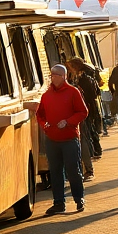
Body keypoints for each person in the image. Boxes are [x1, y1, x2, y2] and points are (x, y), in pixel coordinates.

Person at [37, 65, 88, 215]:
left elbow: (83, 112)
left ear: (64, 76)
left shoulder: (73, 92)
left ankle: (79, 198)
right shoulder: (46, 95)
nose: (54, 77)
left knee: (73, 170)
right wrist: (44, 125)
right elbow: (40, 115)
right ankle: (58, 203)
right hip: (52, 140)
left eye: (57, 75)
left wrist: (68, 121)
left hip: (69, 139)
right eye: (52, 75)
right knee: (55, 172)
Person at [69, 58, 101, 180]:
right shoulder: (82, 78)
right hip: (85, 112)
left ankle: (88, 169)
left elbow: (90, 96)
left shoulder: (82, 80)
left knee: (84, 140)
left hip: (83, 113)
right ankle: (85, 167)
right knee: (85, 138)